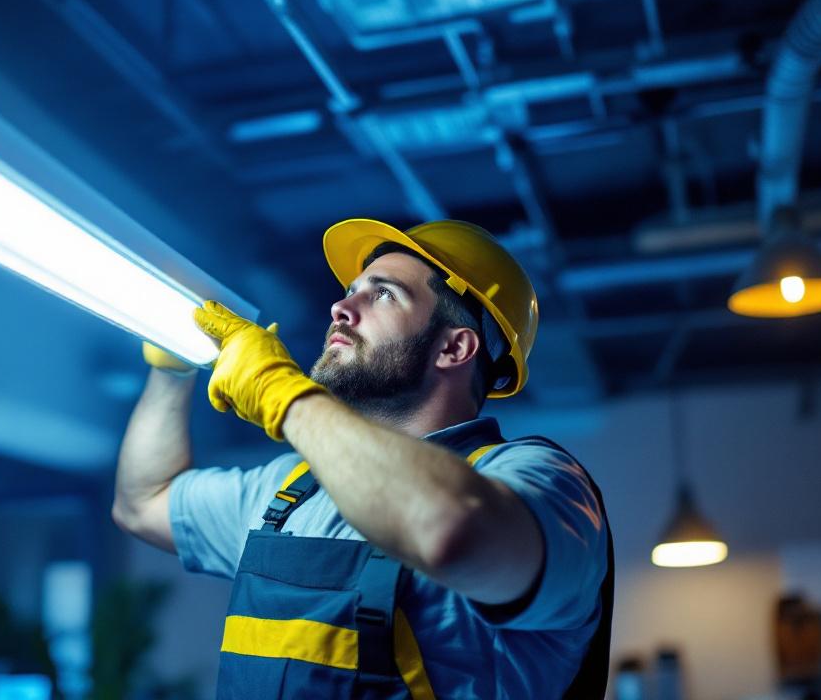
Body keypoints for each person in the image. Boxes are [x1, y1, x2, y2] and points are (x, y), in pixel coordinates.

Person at [111, 218, 613, 700]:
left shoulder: (538, 482)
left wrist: (283, 395)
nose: (341, 308)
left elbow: (446, 529)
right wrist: (171, 369)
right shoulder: (289, 491)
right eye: (352, 289)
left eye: (384, 294)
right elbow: (143, 502)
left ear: (454, 347)